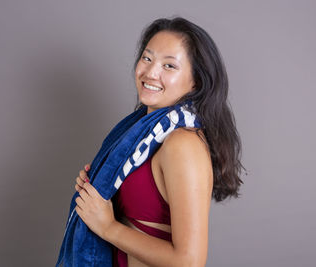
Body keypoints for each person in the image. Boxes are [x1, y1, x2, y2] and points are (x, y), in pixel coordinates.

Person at [71, 17, 244, 267]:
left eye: (169, 66)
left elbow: (190, 261)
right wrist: (97, 192)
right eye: (147, 58)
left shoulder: (182, 144)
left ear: (196, 81)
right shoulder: (141, 136)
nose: (151, 72)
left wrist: (108, 226)